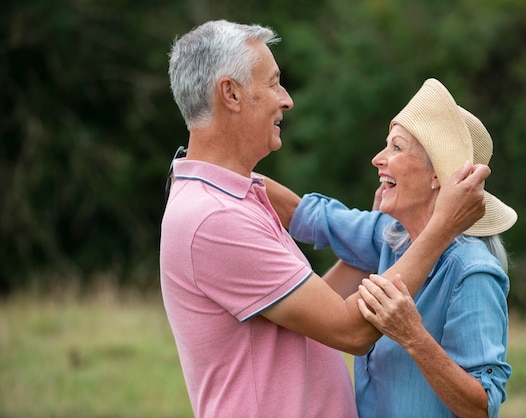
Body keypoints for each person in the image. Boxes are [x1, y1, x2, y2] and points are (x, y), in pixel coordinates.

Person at [160, 20, 490, 418]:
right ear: (230, 93)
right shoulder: (215, 218)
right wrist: (442, 227)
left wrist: (378, 235)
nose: (286, 100)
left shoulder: (234, 198)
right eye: (273, 83)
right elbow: (350, 330)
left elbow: (320, 309)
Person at [266, 78, 517, 418]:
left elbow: (481, 407)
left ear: (437, 177)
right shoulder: (391, 235)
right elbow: (303, 214)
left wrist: (414, 337)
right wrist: (207, 166)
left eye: (396, 148)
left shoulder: (472, 272)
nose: (378, 159)